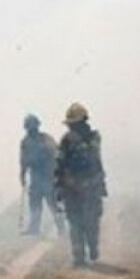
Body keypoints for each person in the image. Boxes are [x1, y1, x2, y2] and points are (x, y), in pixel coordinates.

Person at [54, 102, 107, 266]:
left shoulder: (82, 139)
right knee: (79, 222)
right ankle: (81, 255)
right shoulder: (90, 138)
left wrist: (59, 184)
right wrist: (59, 185)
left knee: (85, 222)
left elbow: (60, 163)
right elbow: (60, 164)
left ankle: (88, 251)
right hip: (78, 187)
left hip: (84, 186)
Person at [19, 113, 63, 236]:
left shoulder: (46, 139)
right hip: (36, 177)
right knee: (35, 204)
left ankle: (61, 229)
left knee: (53, 204)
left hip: (49, 177)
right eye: (29, 127)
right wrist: (22, 174)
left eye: (32, 126)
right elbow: (23, 160)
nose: (30, 129)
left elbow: (57, 153)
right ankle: (34, 229)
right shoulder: (26, 142)